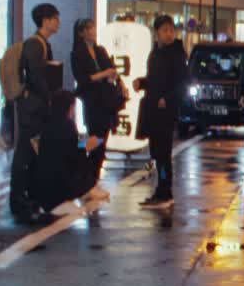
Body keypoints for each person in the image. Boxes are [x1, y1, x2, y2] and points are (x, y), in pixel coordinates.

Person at [10, 3, 63, 224]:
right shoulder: (35, 44)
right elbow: (35, 76)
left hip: (37, 108)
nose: (58, 22)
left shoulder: (42, 43)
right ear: (45, 20)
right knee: (25, 153)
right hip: (32, 109)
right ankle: (18, 201)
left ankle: (29, 198)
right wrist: (50, 96)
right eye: (55, 18)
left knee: (33, 153)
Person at [133, 15, 188, 209]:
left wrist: (168, 99)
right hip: (152, 110)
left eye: (171, 30)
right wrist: (142, 82)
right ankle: (160, 189)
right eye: (165, 30)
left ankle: (166, 192)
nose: (169, 34)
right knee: (156, 152)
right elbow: (154, 79)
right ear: (156, 33)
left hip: (166, 112)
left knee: (163, 154)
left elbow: (183, 84)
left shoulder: (177, 55)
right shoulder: (155, 53)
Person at [70, 18, 122, 190]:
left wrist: (114, 77)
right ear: (82, 33)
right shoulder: (77, 54)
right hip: (92, 101)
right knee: (95, 138)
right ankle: (90, 179)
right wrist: (103, 74)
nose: (93, 31)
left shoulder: (100, 50)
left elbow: (112, 69)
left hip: (107, 100)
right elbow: (82, 79)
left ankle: (94, 178)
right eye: (89, 28)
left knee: (103, 138)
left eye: (93, 27)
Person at [28, 90, 99, 214]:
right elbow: (75, 157)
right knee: (84, 166)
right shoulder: (68, 125)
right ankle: (89, 189)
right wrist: (87, 146)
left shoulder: (45, 123)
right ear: (69, 107)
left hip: (38, 189)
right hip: (59, 189)